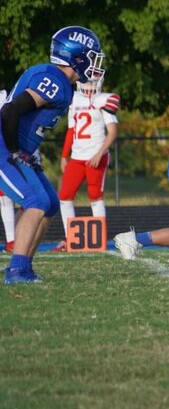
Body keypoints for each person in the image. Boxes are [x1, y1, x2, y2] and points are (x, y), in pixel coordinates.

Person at [0, 25, 104, 283]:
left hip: (17, 148)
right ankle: (16, 270)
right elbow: (10, 111)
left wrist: (28, 151)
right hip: (4, 146)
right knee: (35, 201)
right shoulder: (54, 81)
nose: (95, 63)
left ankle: (24, 266)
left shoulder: (60, 83)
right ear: (76, 57)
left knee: (49, 203)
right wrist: (15, 150)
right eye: (91, 56)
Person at [53, 75, 120, 251]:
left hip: (95, 155)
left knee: (95, 196)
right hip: (77, 156)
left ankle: (100, 240)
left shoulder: (103, 100)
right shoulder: (74, 99)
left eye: (93, 81)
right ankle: (70, 239)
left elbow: (112, 132)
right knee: (64, 196)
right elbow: (71, 130)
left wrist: (100, 153)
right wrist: (63, 156)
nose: (90, 84)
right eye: (88, 80)